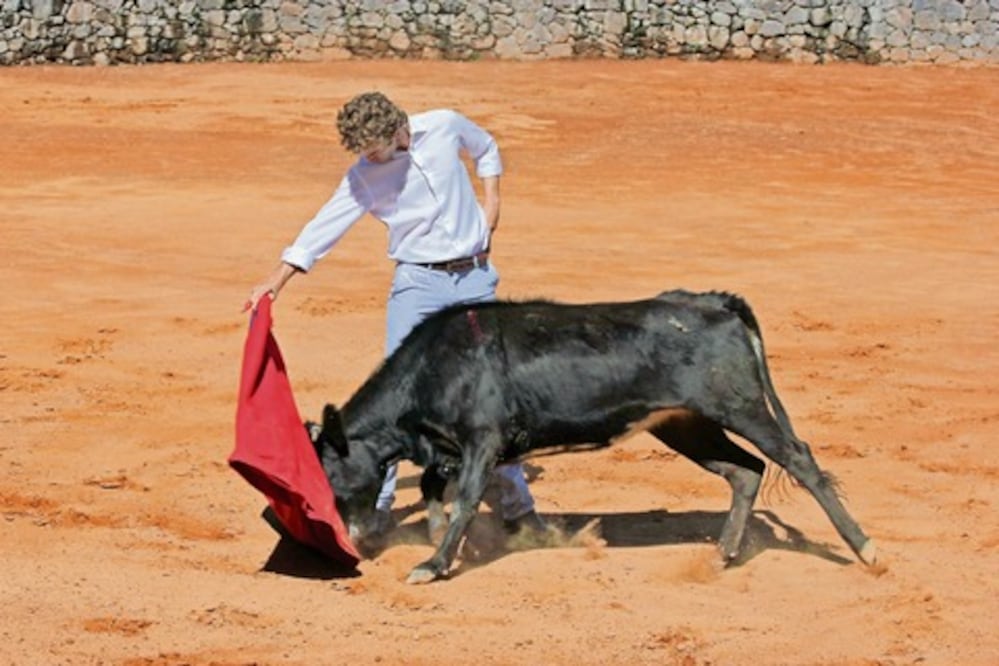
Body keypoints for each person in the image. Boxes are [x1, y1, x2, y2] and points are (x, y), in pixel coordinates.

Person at [246, 91, 545, 537]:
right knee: (396, 397)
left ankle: (518, 510)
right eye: (364, 152)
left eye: (375, 149)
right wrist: (278, 278)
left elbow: (486, 149)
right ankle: (376, 510)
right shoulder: (364, 176)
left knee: (490, 398)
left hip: (476, 280)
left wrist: (493, 203)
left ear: (398, 129)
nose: (370, 159)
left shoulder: (444, 125)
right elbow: (322, 228)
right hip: (418, 286)